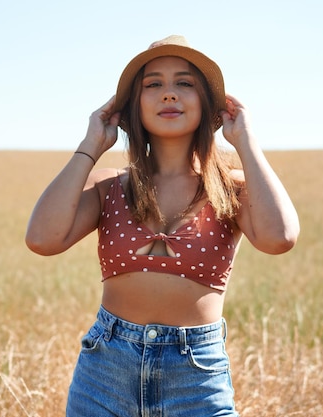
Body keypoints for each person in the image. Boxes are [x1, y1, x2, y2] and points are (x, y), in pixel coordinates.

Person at [25, 35, 300, 417]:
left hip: (196, 376)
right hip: (105, 371)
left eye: (184, 83)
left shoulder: (232, 187)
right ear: (132, 107)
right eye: (153, 84)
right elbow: (42, 239)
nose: (169, 94)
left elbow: (280, 237)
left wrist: (246, 142)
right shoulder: (108, 185)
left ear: (209, 104)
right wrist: (91, 144)